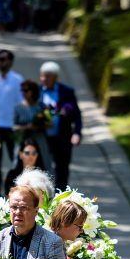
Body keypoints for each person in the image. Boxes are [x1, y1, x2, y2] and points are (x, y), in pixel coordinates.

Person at [39, 61, 82, 191]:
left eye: (48, 76)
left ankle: (60, 198)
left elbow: (76, 114)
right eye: (42, 76)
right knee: (41, 168)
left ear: (56, 77)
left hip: (62, 137)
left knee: (62, 168)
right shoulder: (37, 91)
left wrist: (77, 133)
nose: (44, 79)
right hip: (43, 137)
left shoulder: (67, 92)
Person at [0, 49, 24, 191]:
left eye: (4, 59)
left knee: (16, 160)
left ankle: (16, 188)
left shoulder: (18, 80)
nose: (1, 62)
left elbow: (21, 103)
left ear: (10, 61)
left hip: (12, 126)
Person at [13, 79, 52, 170]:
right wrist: (26, 127)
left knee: (45, 161)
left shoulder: (42, 106)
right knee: (17, 161)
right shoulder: (18, 107)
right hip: (23, 138)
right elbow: (14, 127)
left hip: (39, 136)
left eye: (26, 90)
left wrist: (38, 125)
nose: (23, 93)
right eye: (22, 90)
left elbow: (50, 124)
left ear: (33, 91)